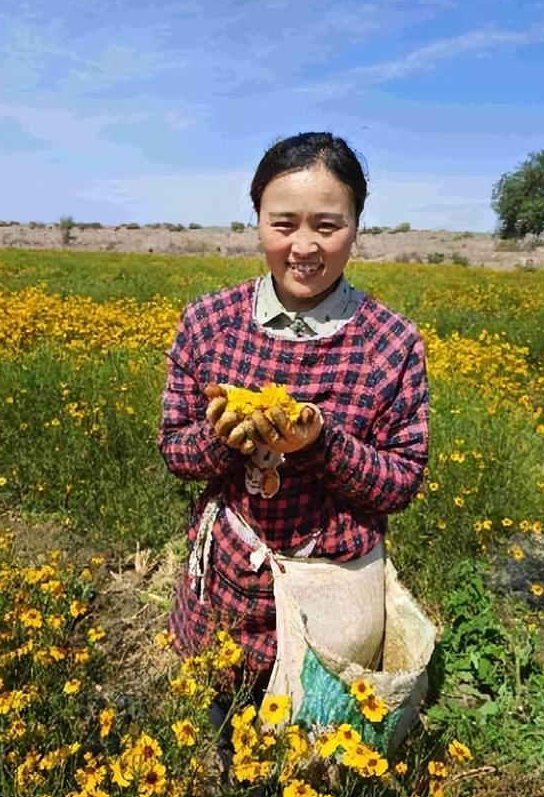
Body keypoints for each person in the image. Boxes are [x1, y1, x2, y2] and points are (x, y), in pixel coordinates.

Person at [158, 131, 430, 708]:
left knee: (320, 751)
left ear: (356, 225)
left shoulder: (393, 343)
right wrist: (219, 439)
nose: (304, 246)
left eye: (327, 226)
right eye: (283, 224)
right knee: (223, 724)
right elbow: (174, 450)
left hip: (333, 595)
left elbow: (403, 480)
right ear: (257, 220)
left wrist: (321, 444)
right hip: (224, 588)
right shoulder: (209, 322)